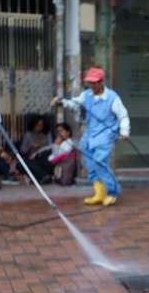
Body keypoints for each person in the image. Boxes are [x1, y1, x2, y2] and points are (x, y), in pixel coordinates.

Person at [51, 67, 130, 206]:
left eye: (94, 82)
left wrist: (124, 131)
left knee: (100, 162)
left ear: (101, 82)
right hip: (89, 135)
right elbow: (74, 103)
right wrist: (61, 102)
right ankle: (99, 193)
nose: (91, 85)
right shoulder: (86, 95)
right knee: (91, 165)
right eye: (89, 82)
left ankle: (112, 192)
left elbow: (123, 115)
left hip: (105, 135)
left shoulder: (112, 97)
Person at [20, 115, 54, 183]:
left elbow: (51, 147)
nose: (39, 127)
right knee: (21, 164)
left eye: (41, 125)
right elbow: (22, 150)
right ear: (33, 125)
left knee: (36, 164)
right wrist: (30, 147)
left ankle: (39, 177)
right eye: (37, 125)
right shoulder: (28, 135)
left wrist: (38, 151)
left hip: (43, 157)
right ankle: (44, 176)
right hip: (31, 158)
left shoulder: (47, 134)